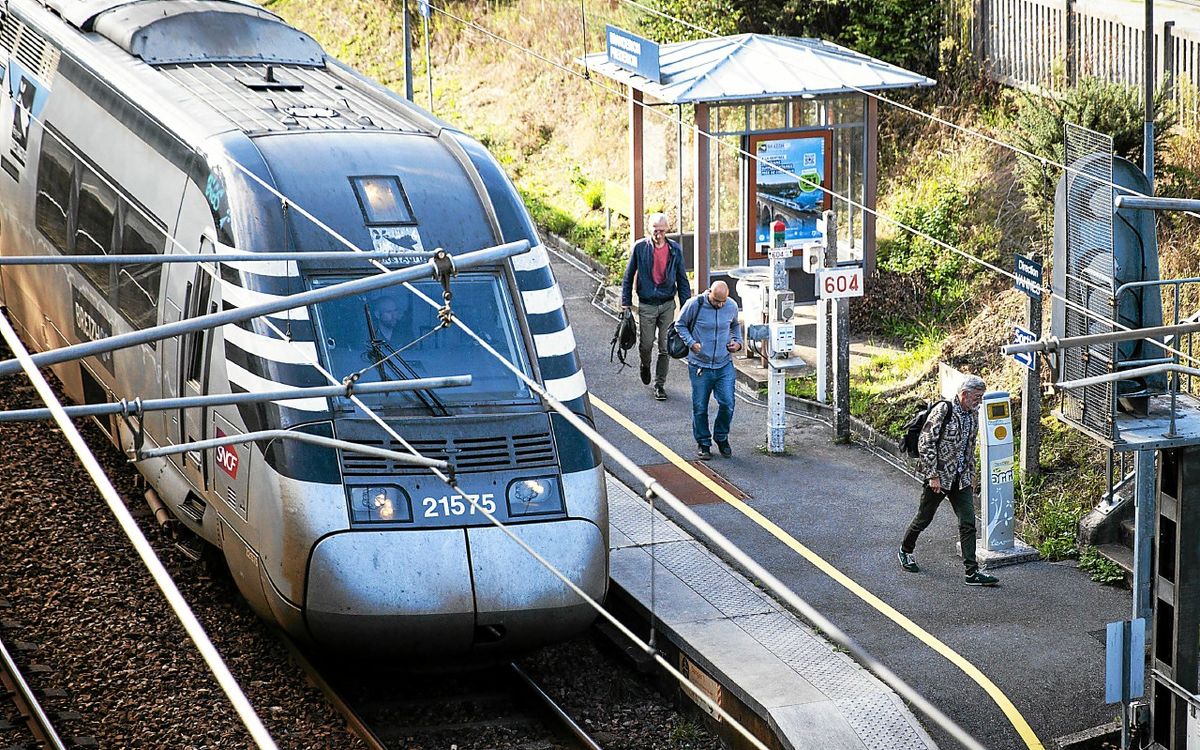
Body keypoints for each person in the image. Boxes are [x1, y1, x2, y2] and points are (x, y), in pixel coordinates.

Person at [897, 375, 1000, 586]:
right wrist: (933, 475)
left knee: (968, 523)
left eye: (981, 397)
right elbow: (926, 442)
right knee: (924, 518)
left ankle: (972, 572)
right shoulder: (944, 410)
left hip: (961, 479)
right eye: (977, 397)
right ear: (964, 394)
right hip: (940, 477)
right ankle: (905, 550)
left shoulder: (973, 415)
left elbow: (970, 448)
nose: (979, 401)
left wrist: (971, 474)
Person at [621, 212, 691, 401]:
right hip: (647, 304)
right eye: (655, 230)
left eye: (661, 230)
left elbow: (682, 279)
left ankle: (659, 384)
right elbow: (628, 276)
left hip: (667, 304)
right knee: (646, 345)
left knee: (665, 347)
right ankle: (645, 365)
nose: (658, 234)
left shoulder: (674, 249)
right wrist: (626, 303)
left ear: (667, 230)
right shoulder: (640, 248)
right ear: (649, 229)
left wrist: (686, 309)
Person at [675, 281, 741, 460]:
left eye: (723, 301)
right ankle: (703, 443)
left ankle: (721, 437)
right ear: (709, 292)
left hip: (724, 363)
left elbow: (735, 325)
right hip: (700, 365)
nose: (720, 305)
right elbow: (680, 325)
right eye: (716, 301)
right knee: (700, 406)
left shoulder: (731, 306)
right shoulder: (694, 304)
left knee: (728, 403)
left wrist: (738, 342)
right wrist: (691, 343)